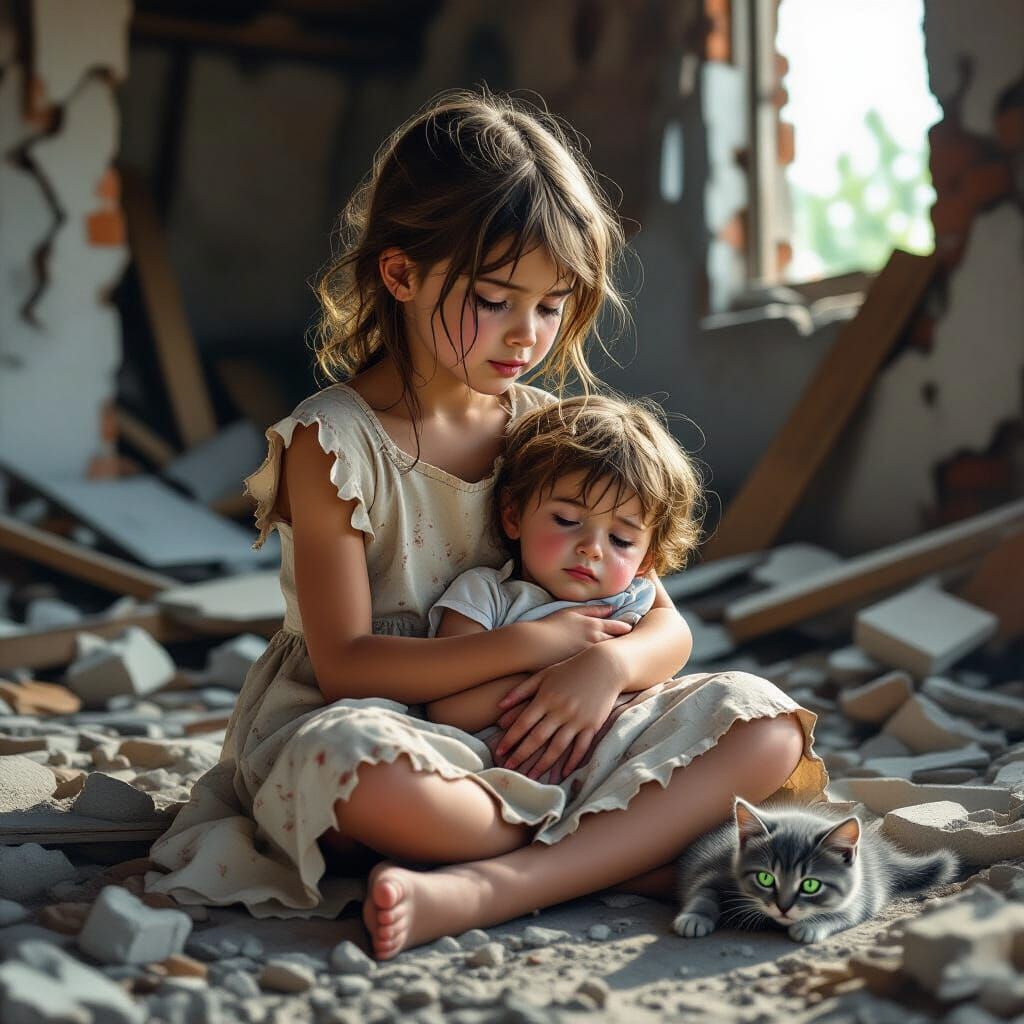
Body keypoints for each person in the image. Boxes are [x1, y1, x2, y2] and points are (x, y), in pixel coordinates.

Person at [147, 88, 827, 960]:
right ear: (400, 274)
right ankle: (616, 853)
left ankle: (493, 883)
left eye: (551, 306)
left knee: (763, 723)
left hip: (548, 731)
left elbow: (667, 622)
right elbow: (350, 665)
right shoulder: (335, 443)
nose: (527, 335)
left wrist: (607, 666)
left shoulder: (547, 428)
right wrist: (539, 650)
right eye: (498, 298)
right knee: (353, 770)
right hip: (391, 721)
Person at [424, 394, 698, 788]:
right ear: (513, 516)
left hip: (623, 771)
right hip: (502, 779)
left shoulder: (630, 598)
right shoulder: (486, 595)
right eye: (567, 519)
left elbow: (675, 641)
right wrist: (554, 678)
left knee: (761, 722)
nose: (593, 548)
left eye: (621, 540)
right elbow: (448, 709)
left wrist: (606, 668)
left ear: (646, 560)